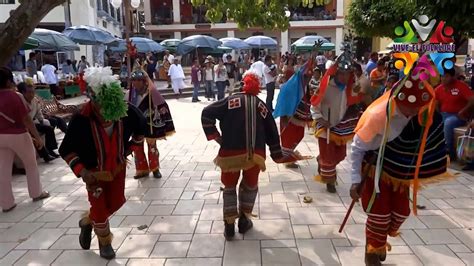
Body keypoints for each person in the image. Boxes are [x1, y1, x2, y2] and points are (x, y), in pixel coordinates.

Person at [350, 75, 449, 265]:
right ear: (397, 100)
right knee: (380, 214)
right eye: (410, 107)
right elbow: (357, 149)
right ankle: (372, 251)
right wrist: (355, 181)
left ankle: (378, 239)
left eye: (418, 107)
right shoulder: (377, 115)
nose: (414, 111)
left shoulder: (419, 112)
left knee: (401, 212)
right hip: (374, 167)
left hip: (399, 167)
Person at [59, 66, 146, 260]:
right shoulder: (80, 119)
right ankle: (105, 243)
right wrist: (83, 172)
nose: (107, 110)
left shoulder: (126, 112)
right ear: (94, 99)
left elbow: (141, 131)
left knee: (115, 203)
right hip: (93, 174)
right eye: (102, 104)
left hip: (117, 168)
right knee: (99, 208)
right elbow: (65, 150)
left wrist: (128, 150)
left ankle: (87, 223)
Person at [201, 70, 299, 241]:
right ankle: (244, 221)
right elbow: (272, 133)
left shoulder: (229, 101)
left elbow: (207, 113)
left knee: (229, 187)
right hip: (255, 155)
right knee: (250, 186)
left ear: (241, 86)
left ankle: (229, 225)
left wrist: (217, 137)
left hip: (229, 153)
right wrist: (278, 154)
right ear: (257, 88)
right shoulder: (262, 106)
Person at [310, 49, 363, 193]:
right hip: (325, 126)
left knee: (340, 155)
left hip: (341, 126)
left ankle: (321, 159)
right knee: (329, 158)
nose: (345, 77)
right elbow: (314, 104)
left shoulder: (349, 88)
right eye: (342, 74)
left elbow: (356, 98)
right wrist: (320, 119)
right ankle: (330, 181)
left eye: (347, 74)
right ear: (336, 73)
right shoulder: (325, 86)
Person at [0, 67, 50, 213]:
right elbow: (27, 120)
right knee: (31, 163)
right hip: (18, 134)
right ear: (9, 81)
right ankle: (36, 193)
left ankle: (7, 203)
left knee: (3, 169)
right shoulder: (15, 96)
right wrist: (36, 136)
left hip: (1, 136)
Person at [126, 70, 175, 179]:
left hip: (150, 125)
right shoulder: (129, 95)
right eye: (134, 81)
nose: (135, 83)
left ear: (144, 82)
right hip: (136, 125)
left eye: (138, 80)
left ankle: (155, 168)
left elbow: (162, 106)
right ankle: (141, 170)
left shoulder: (152, 93)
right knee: (137, 147)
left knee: (152, 147)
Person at [435, 68, 474, 160]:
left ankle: (449, 153)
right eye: (442, 76)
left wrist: (463, 111)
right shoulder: (438, 89)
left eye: (446, 76)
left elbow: (472, 100)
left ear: (453, 77)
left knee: (448, 122)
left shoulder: (461, 86)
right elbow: (436, 104)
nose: (443, 79)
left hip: (458, 116)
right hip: (443, 114)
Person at [17, 82, 59, 162]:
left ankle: (51, 150)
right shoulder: (21, 101)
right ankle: (46, 156)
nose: (31, 94)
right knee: (35, 132)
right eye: (29, 92)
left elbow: (38, 112)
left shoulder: (34, 100)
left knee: (50, 125)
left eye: (33, 92)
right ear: (23, 93)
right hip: (23, 124)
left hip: (33, 122)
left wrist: (41, 121)